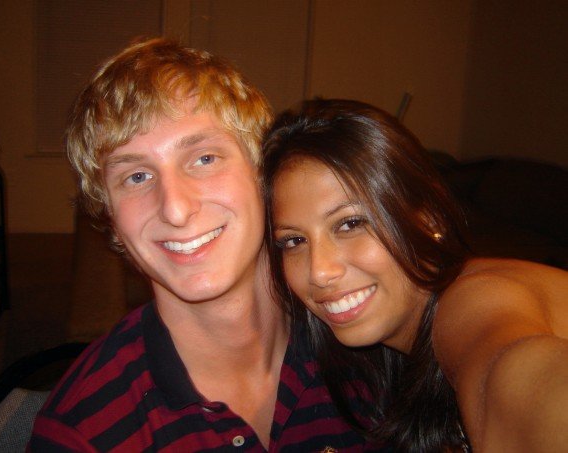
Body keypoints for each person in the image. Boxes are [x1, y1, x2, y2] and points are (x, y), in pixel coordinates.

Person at [28, 41, 386, 451]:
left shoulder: (368, 344)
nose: (176, 209)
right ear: (110, 215)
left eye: (204, 159)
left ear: (263, 173)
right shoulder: (81, 433)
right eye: (137, 177)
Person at [262, 98, 568, 452]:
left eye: (350, 223)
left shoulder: (471, 301)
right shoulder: (382, 357)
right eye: (294, 241)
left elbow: (511, 373)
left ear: (429, 220)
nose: (319, 271)